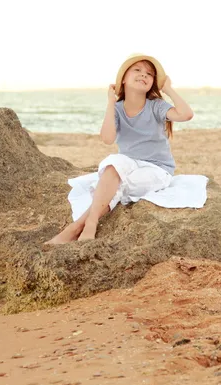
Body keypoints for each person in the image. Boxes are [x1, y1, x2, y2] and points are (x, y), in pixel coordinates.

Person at [45, 54, 194, 244]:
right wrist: (109, 103)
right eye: (137, 70)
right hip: (128, 162)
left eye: (149, 74)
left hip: (157, 168)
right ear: (123, 78)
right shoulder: (116, 108)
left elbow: (186, 114)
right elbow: (107, 139)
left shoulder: (156, 106)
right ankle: (84, 224)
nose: (143, 75)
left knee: (119, 185)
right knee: (112, 164)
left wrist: (168, 89)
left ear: (152, 83)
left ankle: (81, 226)